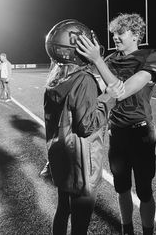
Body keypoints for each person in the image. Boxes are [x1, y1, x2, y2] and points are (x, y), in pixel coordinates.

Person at [76, 13, 156, 235]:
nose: (115, 37)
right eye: (113, 33)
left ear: (135, 34)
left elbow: (124, 91)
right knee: (122, 188)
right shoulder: (109, 61)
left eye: (120, 33)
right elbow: (97, 92)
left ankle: (147, 232)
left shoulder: (153, 56)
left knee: (144, 191)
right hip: (116, 132)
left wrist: (97, 61)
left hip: (141, 132)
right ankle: (127, 230)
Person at [44, 19, 119, 235]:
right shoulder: (83, 79)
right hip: (81, 162)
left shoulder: (54, 78)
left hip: (60, 157)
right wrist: (108, 98)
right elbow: (87, 126)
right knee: (80, 222)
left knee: (62, 210)